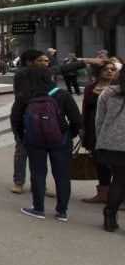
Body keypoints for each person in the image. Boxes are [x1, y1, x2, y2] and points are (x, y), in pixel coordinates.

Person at [9, 48, 102, 194]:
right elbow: (61, 68)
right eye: (40, 61)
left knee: (40, 153)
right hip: (26, 117)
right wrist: (89, 61)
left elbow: (59, 69)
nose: (45, 64)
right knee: (22, 150)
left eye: (46, 61)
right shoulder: (22, 73)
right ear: (29, 62)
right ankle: (18, 181)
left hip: (43, 117)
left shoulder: (42, 73)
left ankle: (39, 185)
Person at [11, 66, 81, 222]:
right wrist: (70, 134)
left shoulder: (24, 96)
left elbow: (15, 119)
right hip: (61, 140)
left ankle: (38, 208)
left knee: (38, 173)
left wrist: (24, 136)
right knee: (62, 175)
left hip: (34, 140)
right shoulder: (62, 94)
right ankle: (61, 211)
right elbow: (76, 119)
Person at [80, 61, 117, 204]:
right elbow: (85, 109)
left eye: (112, 69)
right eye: (106, 69)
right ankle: (103, 193)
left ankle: (119, 196)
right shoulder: (90, 88)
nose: (109, 71)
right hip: (93, 129)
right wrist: (83, 128)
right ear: (98, 71)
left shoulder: (118, 88)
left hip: (113, 130)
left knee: (116, 163)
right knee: (100, 162)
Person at [95, 70, 125, 231]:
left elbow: (99, 119)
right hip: (115, 143)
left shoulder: (109, 92)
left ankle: (109, 217)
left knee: (119, 180)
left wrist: (101, 142)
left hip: (113, 143)